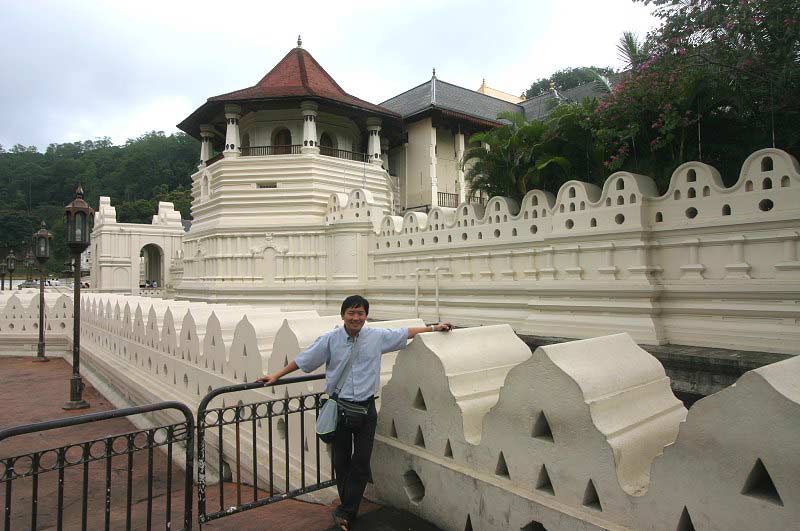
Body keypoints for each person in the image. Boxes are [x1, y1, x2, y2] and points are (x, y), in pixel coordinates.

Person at [257, 295, 451, 530]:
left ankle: (347, 511)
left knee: (361, 463)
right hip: (340, 409)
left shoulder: (376, 337)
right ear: (343, 315)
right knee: (341, 461)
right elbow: (303, 360)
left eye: (360, 313)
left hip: (366, 409)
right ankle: (348, 510)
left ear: (365, 316)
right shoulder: (330, 339)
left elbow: (404, 332)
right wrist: (276, 375)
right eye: (351, 313)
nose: (356, 317)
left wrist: (433, 328)